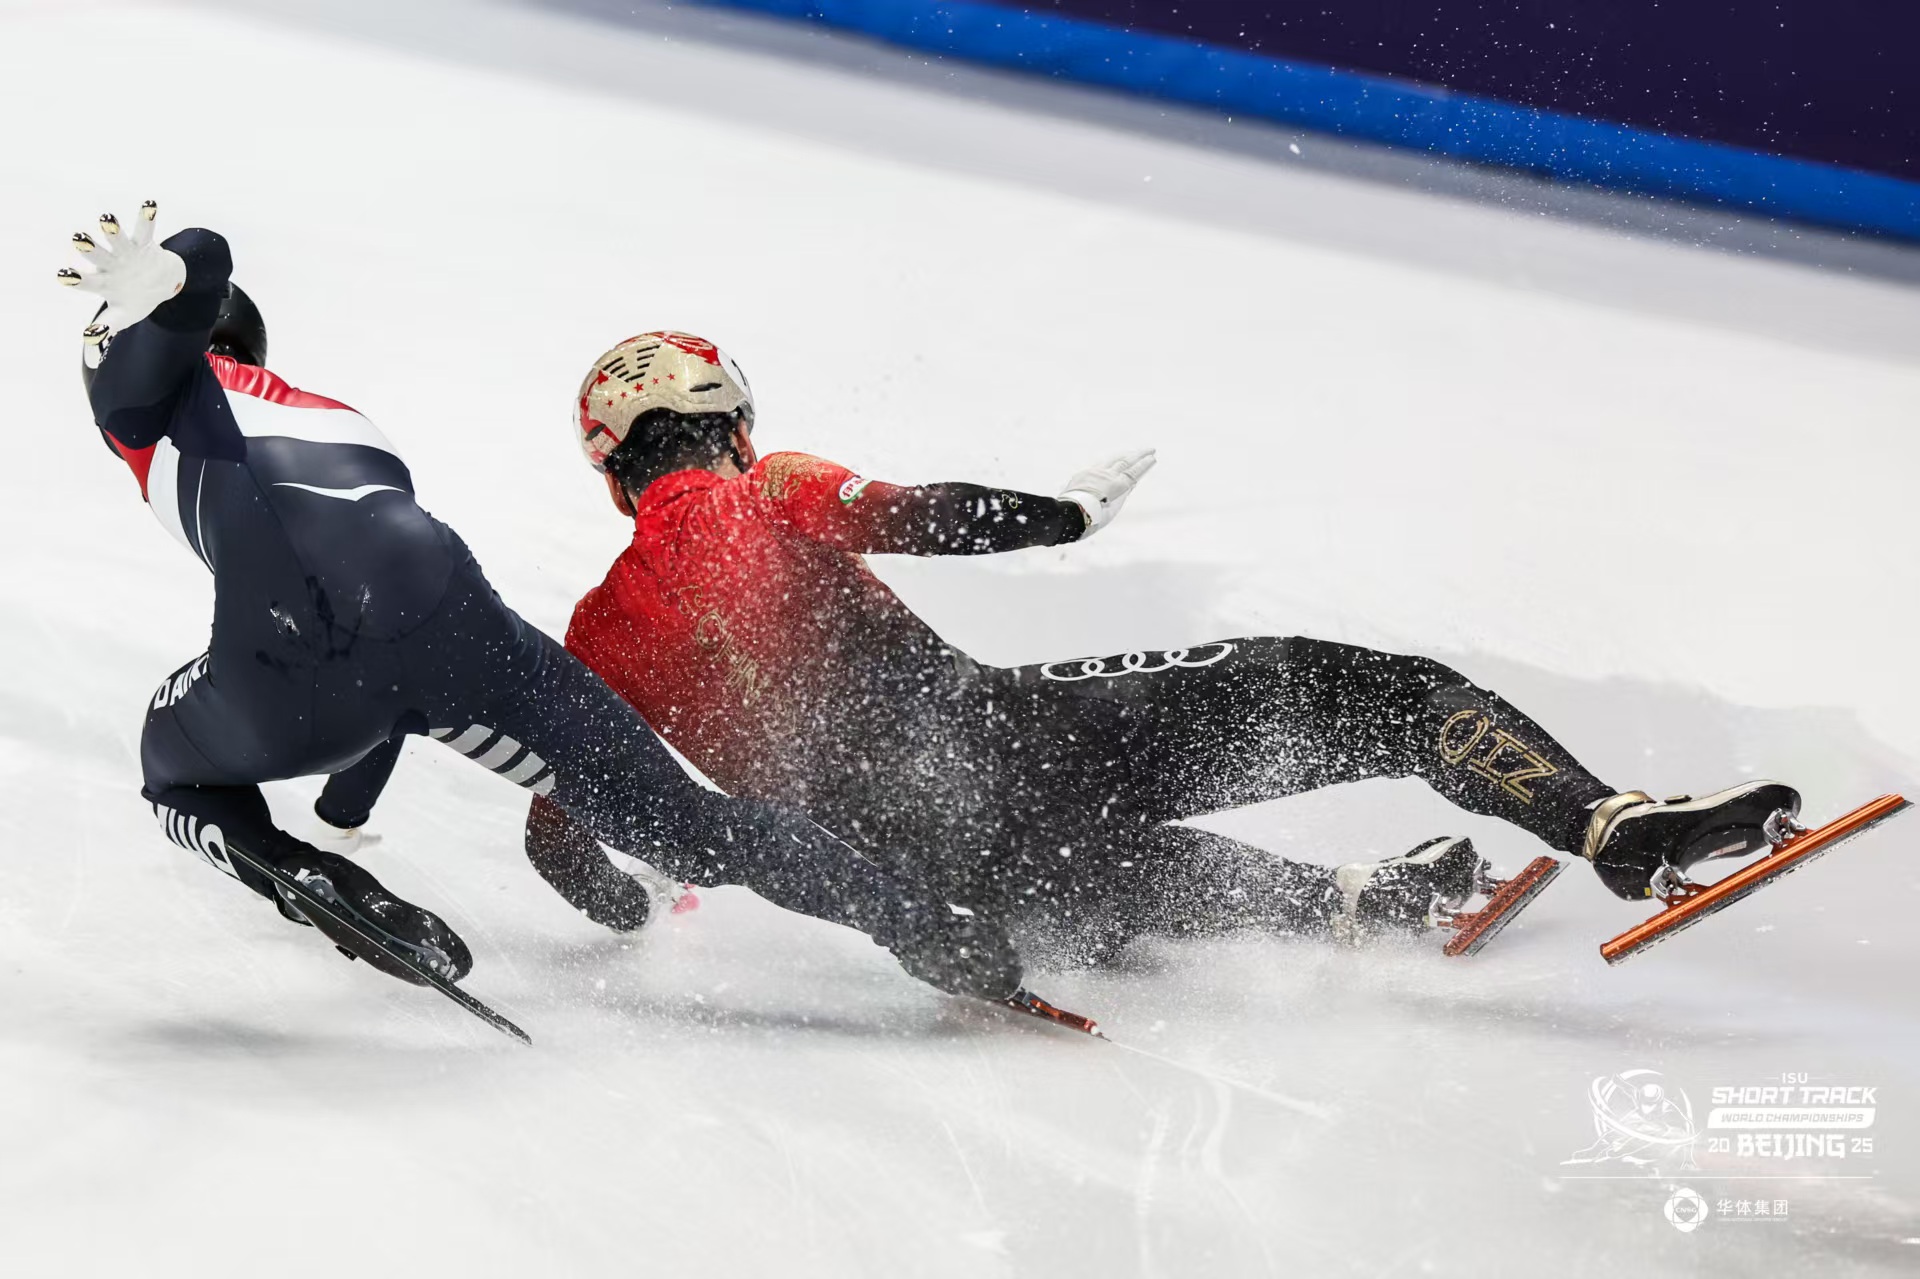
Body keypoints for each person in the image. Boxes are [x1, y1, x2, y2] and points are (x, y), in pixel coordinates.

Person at [326, 330, 1804, 958]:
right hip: (991, 741)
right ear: (726, 415)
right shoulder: (755, 485)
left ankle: (1367, 902)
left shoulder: (598, 624)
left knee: (1090, 865)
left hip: (924, 870)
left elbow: (565, 822)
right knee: (1372, 695)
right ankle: (1609, 820)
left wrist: (628, 909)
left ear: (611, 465)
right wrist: (1044, 517)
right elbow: (902, 511)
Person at [57, 208, 1015, 999]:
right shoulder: (327, 413)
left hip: (295, 644)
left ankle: (311, 879)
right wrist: (348, 799)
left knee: (167, 767)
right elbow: (381, 657)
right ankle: (930, 932)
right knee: (693, 824)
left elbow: (200, 264)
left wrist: (161, 293)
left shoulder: (148, 402)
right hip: (446, 610)